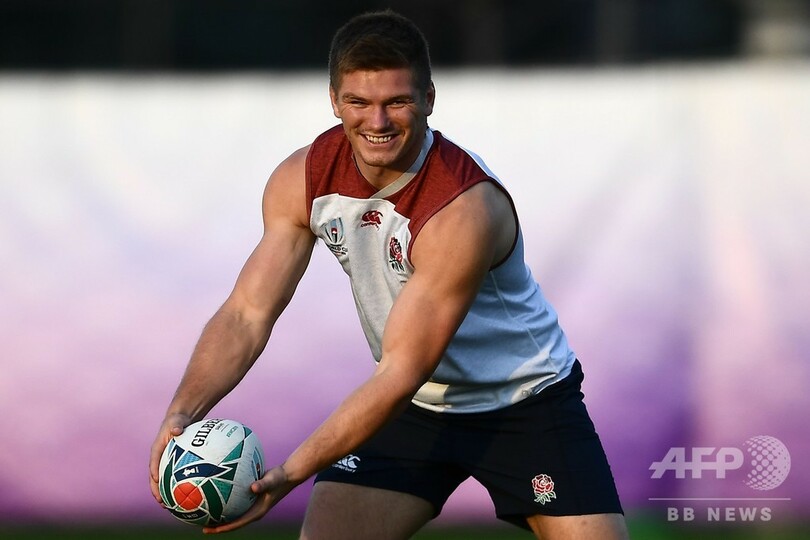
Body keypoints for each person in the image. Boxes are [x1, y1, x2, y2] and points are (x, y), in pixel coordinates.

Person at [149, 10, 629, 539]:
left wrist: (290, 473)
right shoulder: (302, 178)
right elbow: (247, 313)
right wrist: (182, 413)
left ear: (429, 99)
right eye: (359, 102)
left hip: (523, 400)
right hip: (415, 410)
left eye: (396, 102)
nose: (377, 123)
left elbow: (401, 371)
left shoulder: (462, 210)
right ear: (334, 101)